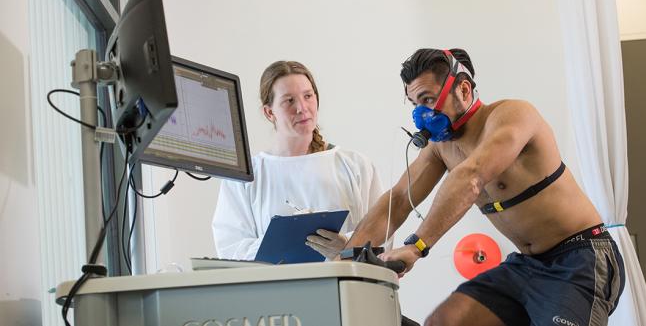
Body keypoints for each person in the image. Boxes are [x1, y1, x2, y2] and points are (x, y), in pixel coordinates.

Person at [345, 48, 625, 326]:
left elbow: (472, 176)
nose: (421, 114)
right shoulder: (441, 148)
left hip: (581, 257)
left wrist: (416, 247)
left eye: (428, 100)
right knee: (445, 321)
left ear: (463, 91)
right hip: (527, 265)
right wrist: (342, 261)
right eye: (415, 104)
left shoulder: (512, 115)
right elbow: (399, 199)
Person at [212, 60, 383, 261]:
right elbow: (231, 248)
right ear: (269, 112)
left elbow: (382, 230)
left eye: (308, 96)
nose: (302, 108)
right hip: (278, 290)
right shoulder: (246, 176)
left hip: (347, 287)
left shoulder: (355, 166)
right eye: (289, 100)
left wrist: (347, 245)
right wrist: (285, 238)